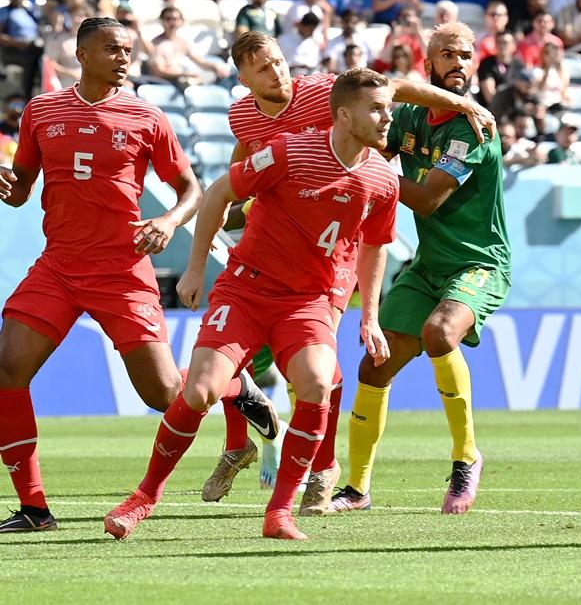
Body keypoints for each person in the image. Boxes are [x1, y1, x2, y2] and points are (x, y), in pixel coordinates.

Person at [0, 18, 274, 533]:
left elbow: (191, 189)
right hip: (58, 265)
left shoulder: (146, 117)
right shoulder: (41, 111)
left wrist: (168, 222)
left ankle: (234, 388)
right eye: (112, 50)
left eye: (128, 50)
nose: (124, 58)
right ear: (81, 54)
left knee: (164, 395)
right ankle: (34, 508)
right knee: (6, 370)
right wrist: (7, 185)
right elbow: (22, 190)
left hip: (122, 270)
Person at [103, 68, 401, 542]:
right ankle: (144, 497)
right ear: (344, 115)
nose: (389, 117)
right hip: (246, 291)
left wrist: (371, 316)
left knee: (319, 382)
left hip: (308, 302)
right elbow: (221, 192)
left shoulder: (384, 178)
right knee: (199, 390)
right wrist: (197, 267)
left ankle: (279, 512)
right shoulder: (289, 151)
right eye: (378, 108)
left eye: (389, 107)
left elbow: (375, 245)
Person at [203, 31, 495, 507]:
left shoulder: (321, 90)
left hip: (332, 252)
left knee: (314, 372)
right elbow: (247, 163)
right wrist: (230, 208)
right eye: (264, 67)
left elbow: (392, 89)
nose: (277, 72)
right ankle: (241, 443)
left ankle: (318, 467)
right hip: (275, 245)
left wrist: (462, 106)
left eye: (279, 61)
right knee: (230, 358)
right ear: (243, 80)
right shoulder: (241, 116)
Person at [329, 22, 510, 516]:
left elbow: (428, 200)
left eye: (467, 55)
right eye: (448, 54)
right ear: (427, 63)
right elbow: (378, 99)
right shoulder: (406, 117)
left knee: (439, 332)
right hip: (429, 265)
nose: (459, 63)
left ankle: (466, 457)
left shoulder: (475, 128)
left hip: (479, 263)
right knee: (375, 364)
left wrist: (372, 169)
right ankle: (358, 488)